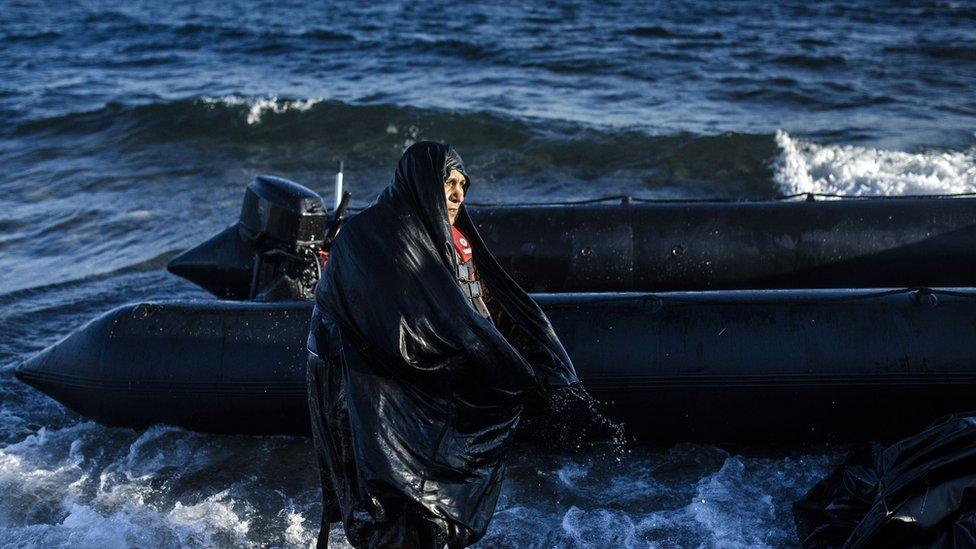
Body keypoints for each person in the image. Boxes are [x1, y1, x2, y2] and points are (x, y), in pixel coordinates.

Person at [306, 141, 577, 548]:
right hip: (355, 382)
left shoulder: (447, 243)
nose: (457, 195)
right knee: (384, 492)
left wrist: (525, 361)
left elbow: (477, 310)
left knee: (423, 496)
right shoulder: (369, 238)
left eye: (463, 185)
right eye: (447, 183)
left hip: (407, 386)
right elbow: (386, 327)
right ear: (420, 184)